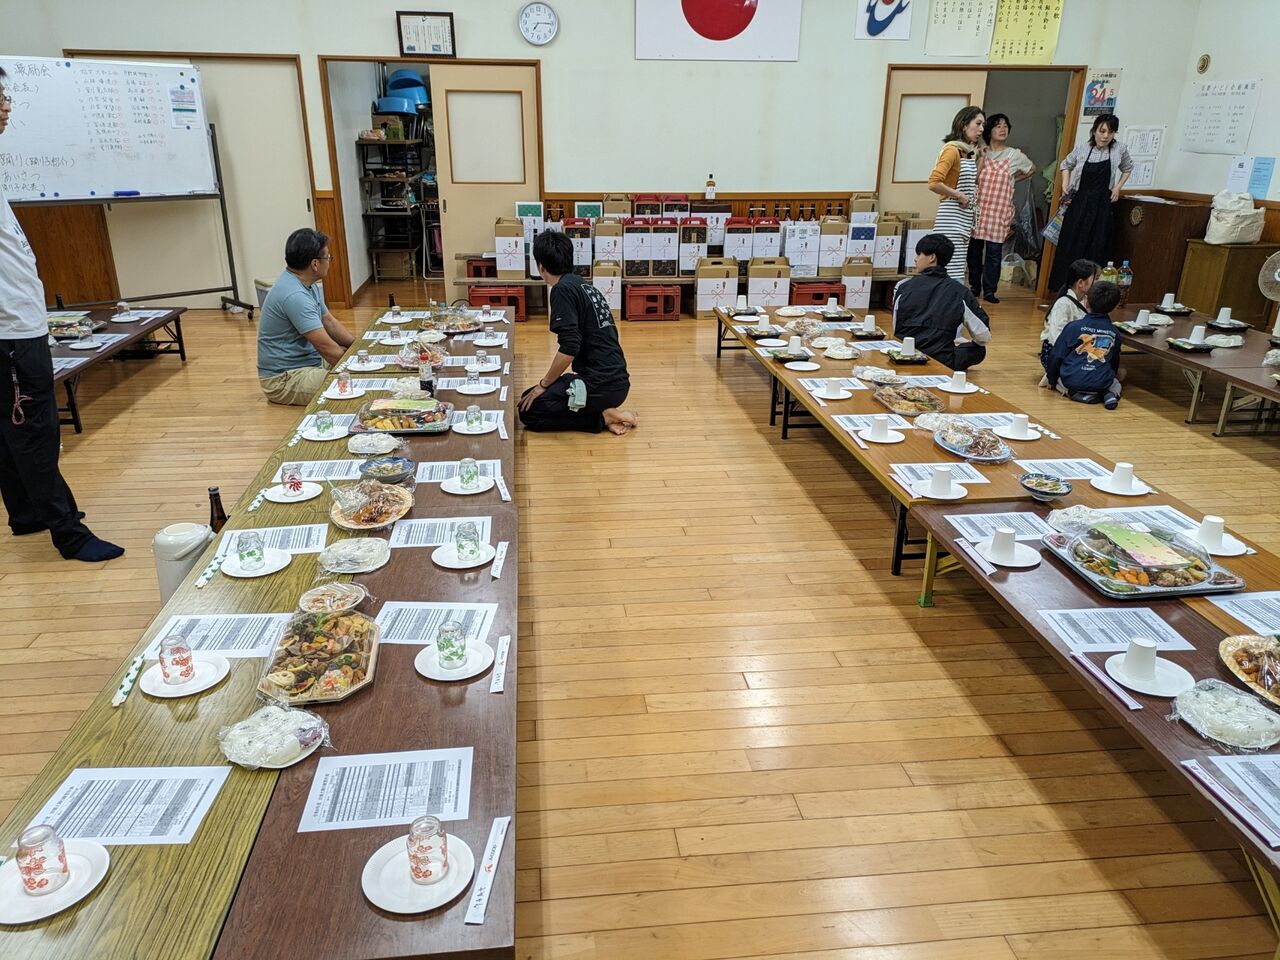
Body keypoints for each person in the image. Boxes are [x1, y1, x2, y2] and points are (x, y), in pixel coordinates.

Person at [0, 68, 124, 563]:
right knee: (33, 430)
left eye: (6, 96)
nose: (6, 106)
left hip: (17, 323)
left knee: (10, 428)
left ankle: (26, 513)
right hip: (9, 330)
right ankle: (69, 534)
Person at [518, 231, 635, 435]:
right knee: (527, 398)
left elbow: (569, 347)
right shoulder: (584, 285)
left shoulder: (561, 290)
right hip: (616, 381)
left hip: (600, 384)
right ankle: (604, 413)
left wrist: (543, 384)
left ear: (540, 266)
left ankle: (603, 417)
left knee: (528, 411)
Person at [257, 228, 353, 405]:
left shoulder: (306, 284)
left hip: (310, 362)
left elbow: (329, 322)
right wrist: (360, 370)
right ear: (315, 264)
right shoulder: (295, 296)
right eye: (328, 257)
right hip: (283, 378)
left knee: (354, 356)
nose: (329, 262)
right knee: (350, 383)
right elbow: (325, 347)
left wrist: (356, 346)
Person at [1047, 114, 1133, 290]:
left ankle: (1092, 290)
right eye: (1102, 131)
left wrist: (1117, 188)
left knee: (1097, 245)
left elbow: (1128, 167)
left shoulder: (1119, 149)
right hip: (1080, 203)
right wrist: (1064, 184)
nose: (1105, 136)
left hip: (1102, 205)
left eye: (1110, 132)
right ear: (1094, 131)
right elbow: (1065, 164)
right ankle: (1065, 288)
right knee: (1071, 245)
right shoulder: (1082, 148)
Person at [892, 233, 991, 371]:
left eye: (919, 254)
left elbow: (895, 326)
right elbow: (983, 335)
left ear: (932, 257)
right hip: (943, 359)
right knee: (979, 349)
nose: (915, 258)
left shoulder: (902, 286)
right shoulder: (960, 291)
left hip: (904, 355)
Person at [967, 113, 1035, 304]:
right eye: (998, 126)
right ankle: (974, 286)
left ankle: (990, 291)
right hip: (978, 210)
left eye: (1006, 126)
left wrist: (1014, 179)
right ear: (989, 130)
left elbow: (1031, 169)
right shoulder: (979, 152)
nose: (1003, 129)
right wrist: (981, 157)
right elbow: (973, 178)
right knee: (974, 251)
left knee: (994, 253)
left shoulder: (1014, 155)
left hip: (999, 211)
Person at [928, 106, 986, 284]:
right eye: (978, 124)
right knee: (951, 269)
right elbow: (934, 182)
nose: (981, 129)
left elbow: (971, 181)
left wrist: (981, 160)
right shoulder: (952, 150)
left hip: (963, 218)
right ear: (963, 124)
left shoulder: (967, 153)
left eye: (983, 125)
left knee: (958, 267)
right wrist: (959, 195)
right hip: (951, 218)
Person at [1045, 279, 1123, 410]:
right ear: (1115, 307)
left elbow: (1056, 356)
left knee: (1060, 379)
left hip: (1072, 381)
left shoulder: (1073, 327)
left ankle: (1073, 393)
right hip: (1100, 382)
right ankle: (1109, 394)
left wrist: (1051, 379)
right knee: (1117, 380)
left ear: (1086, 301)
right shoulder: (1114, 332)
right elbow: (1114, 362)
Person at [1040, 258, 1099, 383]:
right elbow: (1056, 337)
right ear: (1081, 283)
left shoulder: (1086, 301)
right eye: (1095, 279)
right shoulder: (1063, 304)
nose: (1097, 282)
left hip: (1077, 350)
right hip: (1058, 353)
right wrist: (1077, 352)